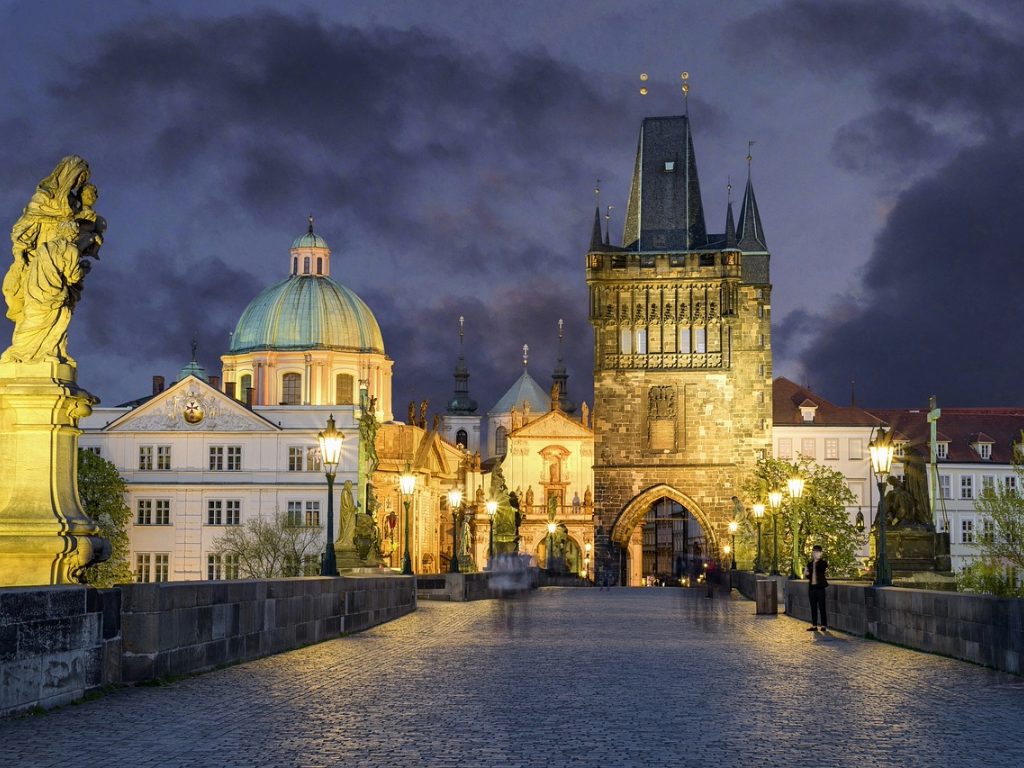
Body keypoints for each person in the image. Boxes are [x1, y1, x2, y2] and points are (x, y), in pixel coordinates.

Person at [804, 545, 829, 631]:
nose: (815, 553)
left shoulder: (823, 562)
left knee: (822, 606)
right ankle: (814, 625)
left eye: (817, 552)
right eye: (814, 551)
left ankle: (823, 625)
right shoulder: (810, 563)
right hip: (812, 588)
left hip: (820, 588)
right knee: (813, 606)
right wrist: (806, 573)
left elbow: (821, 569)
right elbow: (808, 576)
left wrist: (816, 561)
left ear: (820, 553)